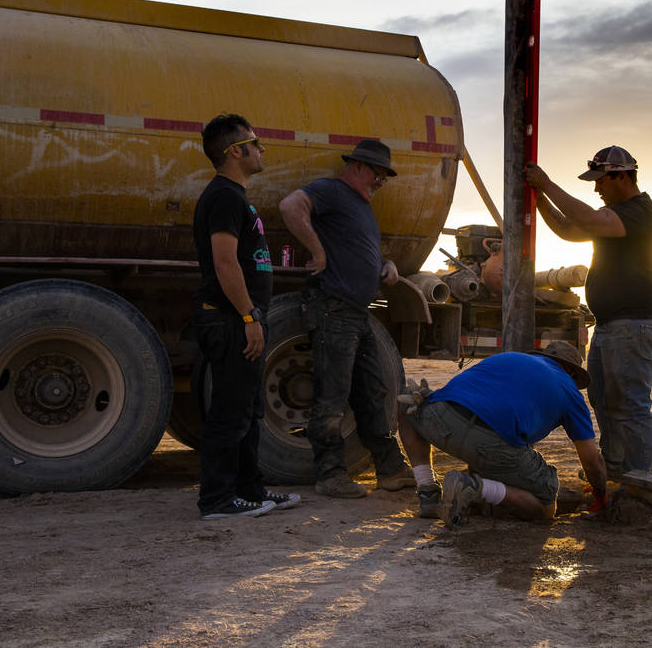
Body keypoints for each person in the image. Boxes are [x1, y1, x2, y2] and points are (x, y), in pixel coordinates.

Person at [278, 140, 416, 499]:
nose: (381, 181)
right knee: (332, 395)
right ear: (356, 166)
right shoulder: (332, 190)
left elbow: (362, 251)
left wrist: (385, 265)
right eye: (378, 172)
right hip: (333, 306)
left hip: (356, 312)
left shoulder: (360, 207)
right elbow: (291, 206)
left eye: (385, 175)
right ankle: (330, 475)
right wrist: (318, 250)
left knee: (372, 392)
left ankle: (390, 470)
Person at [526, 146, 652, 478]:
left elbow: (586, 218)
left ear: (621, 176)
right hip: (611, 325)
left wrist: (545, 184)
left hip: (633, 324)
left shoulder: (639, 212)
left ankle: (638, 479)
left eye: (600, 180)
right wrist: (538, 197)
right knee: (605, 403)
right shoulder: (614, 217)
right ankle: (616, 468)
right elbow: (566, 227)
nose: (596, 188)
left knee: (630, 406)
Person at [192, 113, 301, 520]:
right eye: (255, 143)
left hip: (242, 318)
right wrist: (248, 317)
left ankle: (249, 490)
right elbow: (225, 263)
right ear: (235, 151)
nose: (261, 150)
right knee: (231, 411)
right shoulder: (223, 196)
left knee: (250, 409)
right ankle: (217, 501)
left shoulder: (234, 196)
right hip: (230, 319)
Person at [396, 342, 607, 527]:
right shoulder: (570, 391)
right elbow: (591, 462)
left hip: (443, 420)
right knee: (545, 507)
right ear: (572, 373)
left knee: (408, 403)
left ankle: (427, 489)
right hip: (490, 443)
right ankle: (475, 487)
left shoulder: (508, 358)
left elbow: (464, 396)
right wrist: (601, 493)